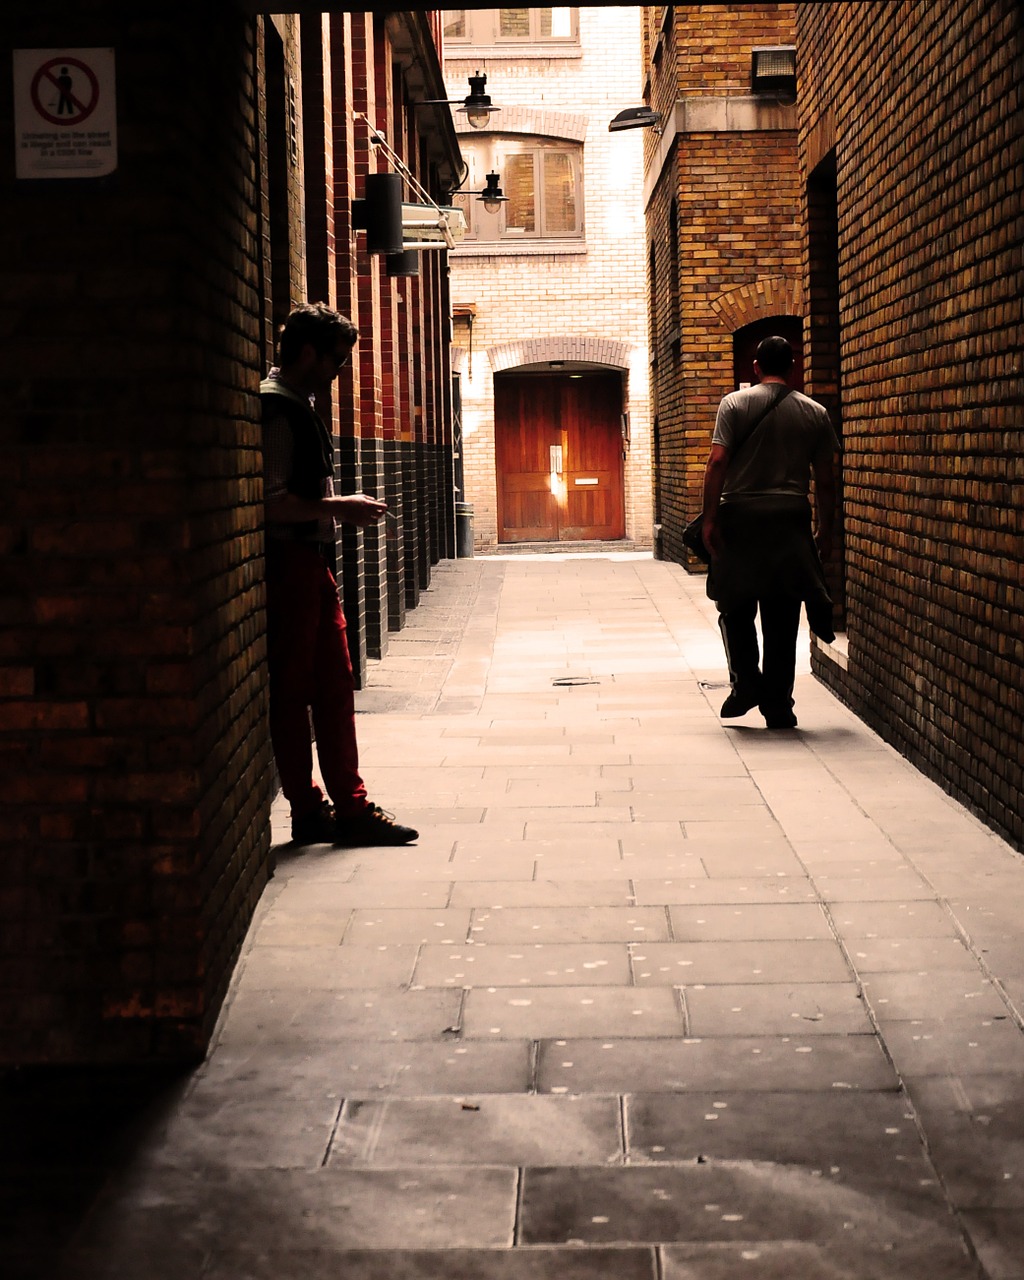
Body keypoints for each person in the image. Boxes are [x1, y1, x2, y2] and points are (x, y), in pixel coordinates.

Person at [261, 302, 418, 846]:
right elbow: (271, 503)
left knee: (329, 686)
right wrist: (340, 507)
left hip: (307, 566)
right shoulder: (278, 410)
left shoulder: (296, 403)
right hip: (290, 567)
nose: (339, 372)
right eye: (336, 360)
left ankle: (337, 808)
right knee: (303, 690)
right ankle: (318, 809)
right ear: (307, 352)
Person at [700, 335, 839, 730]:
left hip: (740, 519)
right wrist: (824, 531)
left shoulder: (734, 404)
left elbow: (717, 462)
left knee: (734, 605)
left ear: (756, 367)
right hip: (789, 520)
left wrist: (710, 518)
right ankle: (778, 704)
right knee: (783, 612)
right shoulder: (814, 412)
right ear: (793, 367)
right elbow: (826, 480)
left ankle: (745, 685)